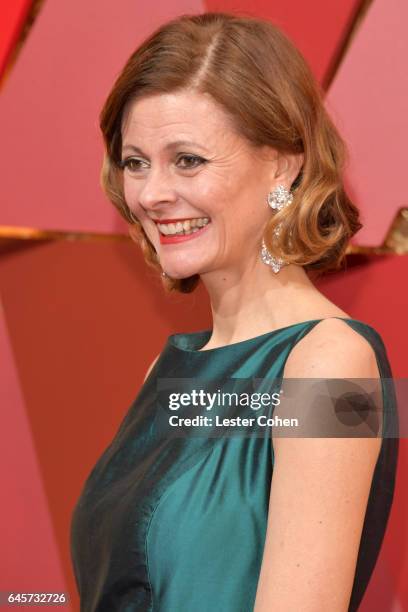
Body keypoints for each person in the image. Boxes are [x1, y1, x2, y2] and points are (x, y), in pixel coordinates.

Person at [70, 11, 399, 611]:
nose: (150, 194)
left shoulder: (335, 362)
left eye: (187, 160)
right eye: (135, 161)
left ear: (283, 162)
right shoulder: (168, 373)